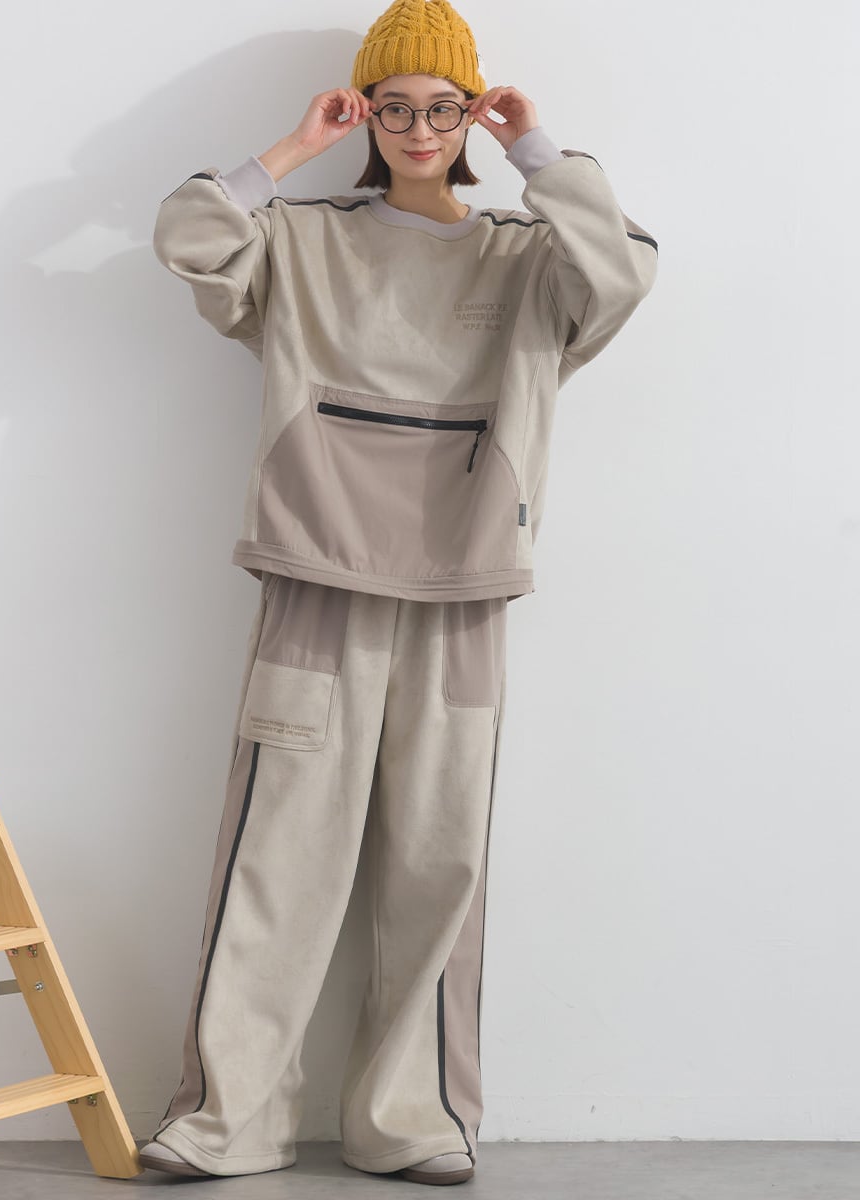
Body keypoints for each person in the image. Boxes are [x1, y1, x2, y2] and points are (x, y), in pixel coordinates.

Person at [139, 0, 657, 1187]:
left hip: (462, 585)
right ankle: (226, 1120)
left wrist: (534, 150)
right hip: (317, 574)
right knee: (277, 857)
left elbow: (624, 272)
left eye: (443, 106)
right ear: (364, 112)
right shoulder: (300, 241)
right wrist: (291, 149)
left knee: (438, 862)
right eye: (394, 106)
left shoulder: (525, 256)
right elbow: (188, 237)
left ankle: (410, 1120)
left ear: (471, 113)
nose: (419, 128)